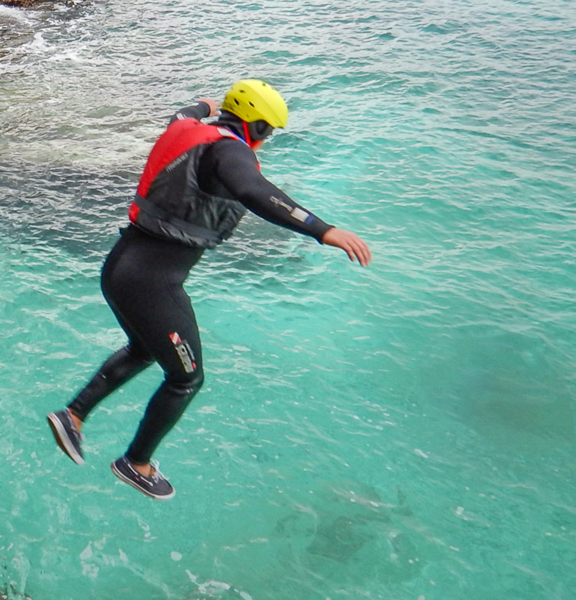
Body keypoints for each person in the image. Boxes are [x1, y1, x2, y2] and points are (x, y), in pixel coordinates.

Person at [46, 80, 372, 500]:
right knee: (186, 377)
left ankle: (73, 416)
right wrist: (320, 229)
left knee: (145, 349)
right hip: (152, 283)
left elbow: (184, 114)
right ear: (254, 126)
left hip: (120, 267)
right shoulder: (230, 151)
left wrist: (203, 104)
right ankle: (137, 463)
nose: (265, 140)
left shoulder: (188, 129)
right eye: (267, 131)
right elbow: (255, 191)